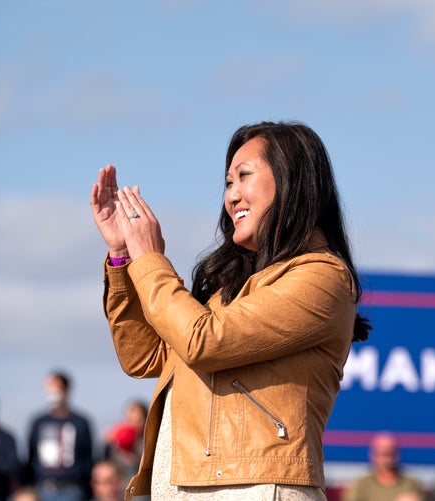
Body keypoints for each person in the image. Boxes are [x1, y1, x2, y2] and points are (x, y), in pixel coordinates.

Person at [90, 121, 371, 500]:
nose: (232, 196)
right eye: (227, 183)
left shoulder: (322, 275)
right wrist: (123, 256)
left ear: (291, 180)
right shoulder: (227, 290)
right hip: (183, 485)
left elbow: (202, 342)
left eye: (244, 177)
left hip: (254, 487)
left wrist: (150, 258)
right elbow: (144, 357)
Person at [25, 371, 93, 501]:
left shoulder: (80, 422)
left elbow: (87, 457)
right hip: (42, 487)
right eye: (48, 388)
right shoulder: (39, 422)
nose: (51, 392)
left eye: (55, 387)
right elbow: (31, 455)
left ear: (66, 390)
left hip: (72, 488)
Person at [343, 432, 423, 501]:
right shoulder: (361, 484)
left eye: (389, 454)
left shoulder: (410, 484)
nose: (386, 460)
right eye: (381, 454)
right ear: (372, 455)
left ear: (397, 455)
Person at [102, 400, 147, 481]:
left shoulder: (146, 443)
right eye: (130, 420)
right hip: (119, 486)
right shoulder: (117, 438)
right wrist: (109, 444)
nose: (133, 425)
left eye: (137, 421)